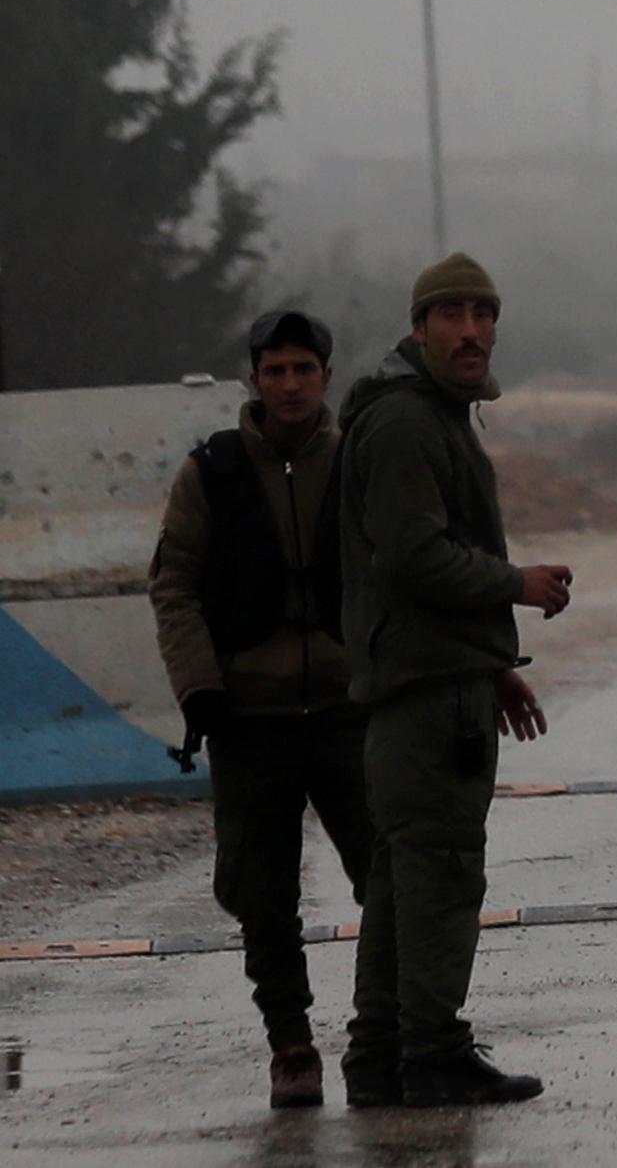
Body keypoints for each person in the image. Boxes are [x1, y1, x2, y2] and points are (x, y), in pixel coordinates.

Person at [338, 252, 573, 1108]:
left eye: (484, 314)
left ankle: (380, 1056)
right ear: (419, 326)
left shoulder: (433, 415)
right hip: (425, 696)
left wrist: (492, 665)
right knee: (439, 871)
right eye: (453, 315)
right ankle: (431, 1050)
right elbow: (413, 556)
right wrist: (517, 584)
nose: (472, 331)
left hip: (437, 680)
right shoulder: (407, 423)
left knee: (404, 878)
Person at [148, 308, 375, 1111]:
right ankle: (291, 1044)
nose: (288, 385)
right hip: (249, 717)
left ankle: (383, 1032)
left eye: (302, 370)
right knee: (262, 892)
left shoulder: (357, 462)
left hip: (350, 708)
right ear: (253, 378)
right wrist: (199, 684)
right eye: (274, 370)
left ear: (325, 376)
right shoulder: (212, 471)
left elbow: (403, 567)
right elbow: (174, 581)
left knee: (388, 875)